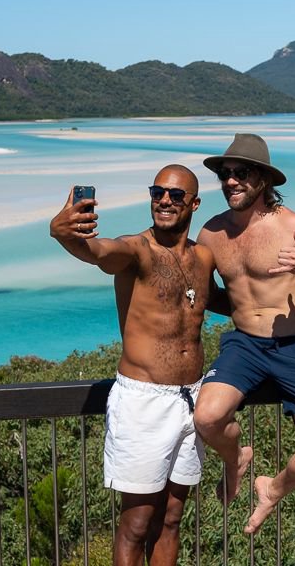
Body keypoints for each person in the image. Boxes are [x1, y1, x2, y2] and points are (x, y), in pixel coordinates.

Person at [50, 164, 227, 565]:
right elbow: (98, 251)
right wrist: (65, 233)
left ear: (194, 203)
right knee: (136, 523)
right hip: (143, 402)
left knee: (171, 519)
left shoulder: (203, 257)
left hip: (191, 400)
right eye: (157, 192)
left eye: (175, 195)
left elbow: (225, 302)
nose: (164, 200)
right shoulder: (136, 250)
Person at [193, 133, 295, 535]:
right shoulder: (211, 234)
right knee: (207, 418)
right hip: (244, 345)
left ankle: (273, 488)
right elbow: (208, 294)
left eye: (240, 173)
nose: (230, 182)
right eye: (225, 174)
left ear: (263, 180)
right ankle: (235, 460)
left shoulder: (294, 226)